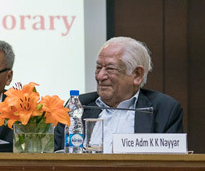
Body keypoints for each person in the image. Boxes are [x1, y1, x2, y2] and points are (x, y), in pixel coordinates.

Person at [55, 36, 183, 152]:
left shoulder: (164, 110)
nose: (100, 76)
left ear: (137, 75)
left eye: (110, 69)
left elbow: (171, 163)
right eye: (98, 68)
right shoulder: (78, 105)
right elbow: (55, 155)